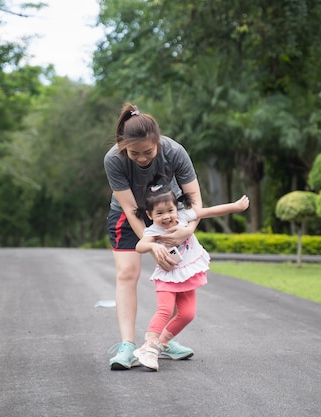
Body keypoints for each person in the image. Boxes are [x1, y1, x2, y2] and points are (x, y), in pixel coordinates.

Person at [104, 103, 203, 370]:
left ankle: (160, 341)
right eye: (134, 153)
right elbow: (130, 209)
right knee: (127, 273)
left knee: (173, 273)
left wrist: (186, 230)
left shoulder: (174, 151)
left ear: (158, 142)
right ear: (123, 146)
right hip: (131, 217)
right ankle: (127, 345)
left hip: (169, 214)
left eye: (148, 152)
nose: (142, 158)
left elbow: (194, 202)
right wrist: (151, 244)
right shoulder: (114, 159)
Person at [132, 181, 250, 371]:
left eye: (170, 210)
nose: (166, 217)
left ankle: (159, 344)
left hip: (186, 274)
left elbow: (210, 211)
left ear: (176, 207)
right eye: (159, 213)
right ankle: (149, 347)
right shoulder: (153, 230)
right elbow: (140, 246)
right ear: (149, 214)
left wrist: (235, 207)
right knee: (165, 310)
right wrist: (153, 245)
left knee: (187, 314)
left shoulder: (185, 217)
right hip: (167, 276)